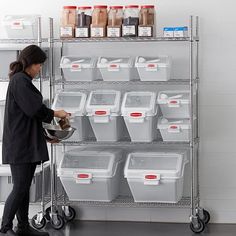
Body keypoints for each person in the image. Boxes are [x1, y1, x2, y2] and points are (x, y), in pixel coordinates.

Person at [0, 45, 70, 236]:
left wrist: (48, 136)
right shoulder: (20, 81)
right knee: (20, 187)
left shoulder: (22, 81)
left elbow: (29, 117)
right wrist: (56, 113)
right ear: (30, 63)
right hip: (20, 145)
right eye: (39, 64)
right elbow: (34, 110)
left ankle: (22, 228)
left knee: (23, 188)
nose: (40, 68)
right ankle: (4, 229)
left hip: (25, 143)